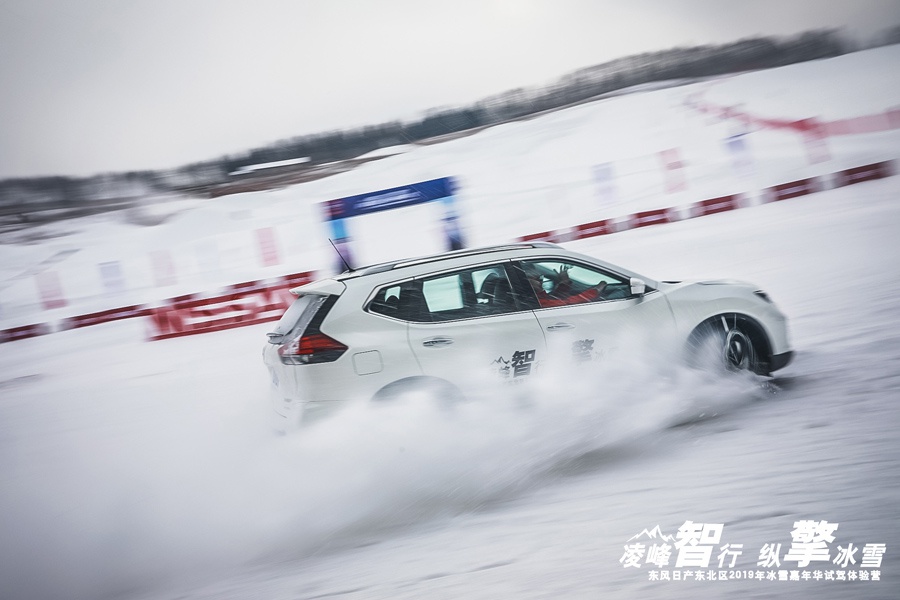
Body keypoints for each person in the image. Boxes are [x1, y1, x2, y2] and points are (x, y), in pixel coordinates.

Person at [524, 264, 606, 308]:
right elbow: (566, 304)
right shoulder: (532, 302)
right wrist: (595, 290)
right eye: (536, 278)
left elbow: (553, 299)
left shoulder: (534, 297)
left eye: (540, 277)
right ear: (526, 282)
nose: (541, 281)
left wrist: (564, 283)